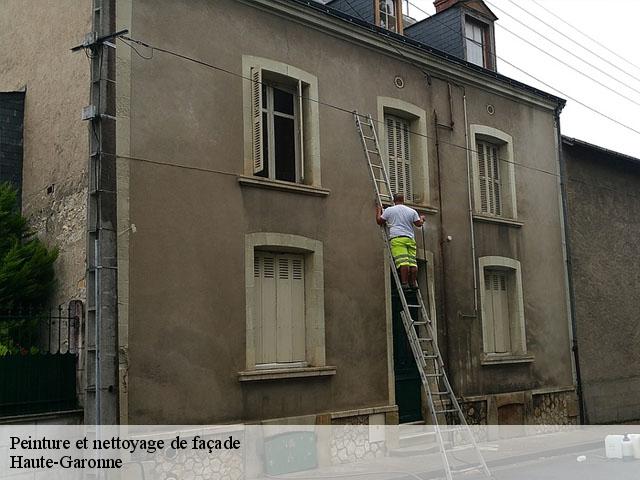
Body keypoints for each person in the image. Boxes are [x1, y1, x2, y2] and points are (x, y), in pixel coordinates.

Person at [376, 193, 426, 291]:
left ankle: (405, 284)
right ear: (403, 200)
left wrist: (378, 211)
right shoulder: (412, 211)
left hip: (397, 238)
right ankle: (413, 283)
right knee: (413, 263)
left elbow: (379, 221)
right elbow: (419, 224)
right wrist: (422, 219)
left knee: (403, 262)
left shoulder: (389, 210)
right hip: (410, 239)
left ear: (394, 200)